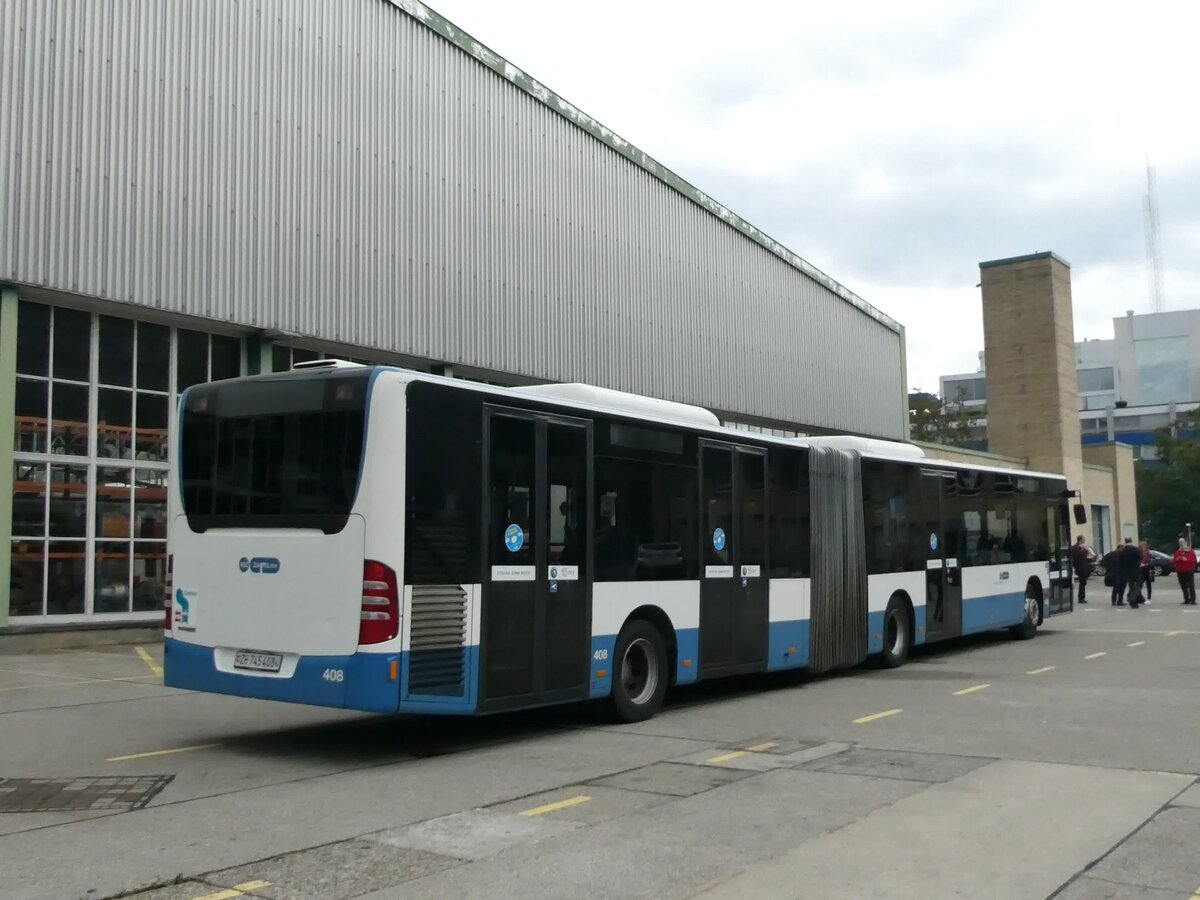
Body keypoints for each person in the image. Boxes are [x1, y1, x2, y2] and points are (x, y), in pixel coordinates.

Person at [1118, 537, 1143, 608]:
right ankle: (1132, 598)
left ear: (1125, 542)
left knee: (1131, 585)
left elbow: (1120, 561)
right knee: (1139, 584)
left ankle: (1133, 603)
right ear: (1131, 541)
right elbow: (1140, 558)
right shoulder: (1136, 549)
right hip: (1136, 569)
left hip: (1127, 571)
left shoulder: (1123, 551)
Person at [1174, 538, 1198, 605]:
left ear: (1185, 542)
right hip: (1180, 571)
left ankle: (1193, 600)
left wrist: (1186, 559)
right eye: (1179, 542)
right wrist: (1178, 559)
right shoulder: (1177, 551)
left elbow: (1194, 561)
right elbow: (1173, 561)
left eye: (1182, 542)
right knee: (1183, 586)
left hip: (1189, 571)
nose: (1181, 544)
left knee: (1191, 586)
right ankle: (1186, 599)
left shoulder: (1190, 551)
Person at [1069, 535, 1091, 604]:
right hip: (1080, 567)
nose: (1084, 540)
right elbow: (1079, 556)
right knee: (1082, 582)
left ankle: (1082, 597)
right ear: (1080, 540)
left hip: (1083, 567)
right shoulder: (1075, 547)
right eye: (1083, 539)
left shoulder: (1081, 547)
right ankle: (1081, 598)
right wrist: (1085, 550)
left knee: (1083, 582)